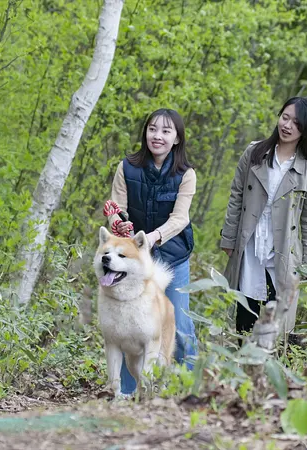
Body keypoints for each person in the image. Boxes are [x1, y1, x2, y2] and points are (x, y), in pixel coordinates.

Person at [106, 108, 198, 395]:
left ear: (177, 139)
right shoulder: (127, 167)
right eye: (152, 129)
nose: (157, 136)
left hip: (172, 257)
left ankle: (189, 388)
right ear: (145, 132)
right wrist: (118, 223)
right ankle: (128, 393)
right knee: (126, 326)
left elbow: (180, 218)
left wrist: (154, 238)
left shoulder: (186, 174)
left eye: (166, 131)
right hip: (131, 262)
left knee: (179, 325)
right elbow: (116, 207)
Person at [220, 97, 307, 341]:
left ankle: (268, 373)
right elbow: (236, 196)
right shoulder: (255, 153)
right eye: (285, 117)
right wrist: (228, 238)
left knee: (278, 322)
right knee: (245, 313)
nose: (287, 125)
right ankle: (242, 369)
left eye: (296, 123)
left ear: (305, 130)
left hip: (283, 251)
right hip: (252, 243)